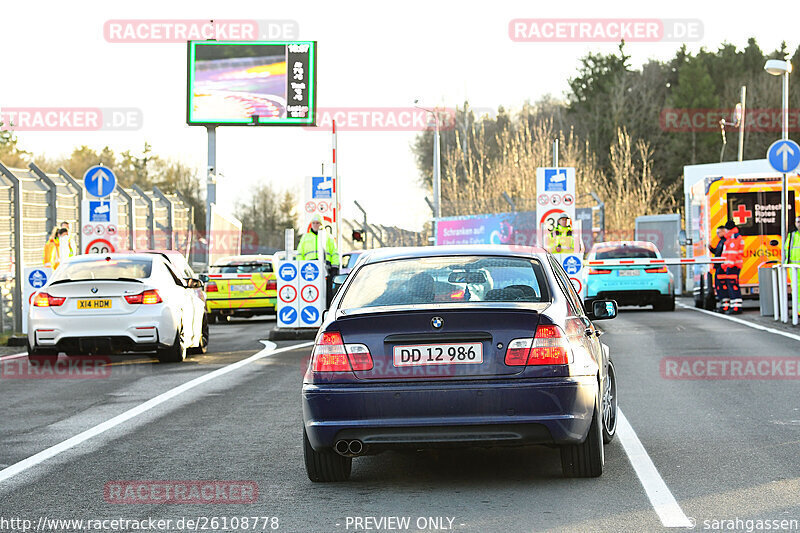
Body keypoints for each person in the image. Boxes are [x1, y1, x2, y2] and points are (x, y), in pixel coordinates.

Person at [297, 213, 340, 306]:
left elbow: (335, 253)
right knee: (310, 291)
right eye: (314, 223)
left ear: (322, 224)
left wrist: (335, 267)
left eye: (318, 223)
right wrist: (300, 266)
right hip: (309, 269)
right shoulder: (305, 237)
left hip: (326, 269)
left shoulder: (328, 237)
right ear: (311, 224)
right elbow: (300, 253)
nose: (316, 225)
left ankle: (326, 310)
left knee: (326, 292)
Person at [718, 220, 745, 314]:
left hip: (733, 265)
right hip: (730, 265)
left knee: (733, 285)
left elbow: (732, 254)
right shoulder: (730, 238)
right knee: (731, 286)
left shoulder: (734, 238)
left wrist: (727, 265)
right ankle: (734, 306)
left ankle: (737, 307)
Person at [708, 226, 727, 306]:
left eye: (719, 232)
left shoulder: (725, 241)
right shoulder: (721, 242)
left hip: (722, 267)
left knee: (721, 286)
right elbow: (717, 252)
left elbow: (721, 254)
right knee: (719, 285)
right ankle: (724, 304)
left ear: (723, 232)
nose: (718, 234)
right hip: (719, 266)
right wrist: (711, 249)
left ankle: (725, 304)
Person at [786, 215, 800, 314]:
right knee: (795, 290)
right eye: (798, 222)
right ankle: (797, 311)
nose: (799, 224)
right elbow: (787, 249)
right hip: (794, 268)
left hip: (796, 267)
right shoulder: (792, 235)